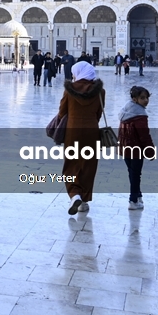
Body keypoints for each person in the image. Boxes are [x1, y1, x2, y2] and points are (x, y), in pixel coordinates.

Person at [59, 61, 105, 215]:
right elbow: (99, 113)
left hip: (73, 132)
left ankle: (74, 195)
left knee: (71, 165)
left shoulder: (69, 90)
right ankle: (84, 201)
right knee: (88, 165)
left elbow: (62, 112)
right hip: (92, 132)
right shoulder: (100, 91)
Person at [118, 86, 154, 210]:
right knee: (136, 174)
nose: (146, 100)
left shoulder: (125, 111)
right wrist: (150, 150)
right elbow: (144, 135)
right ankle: (133, 200)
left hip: (125, 148)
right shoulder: (140, 115)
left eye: (147, 97)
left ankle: (138, 195)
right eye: (142, 98)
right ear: (135, 99)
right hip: (136, 149)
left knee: (132, 173)